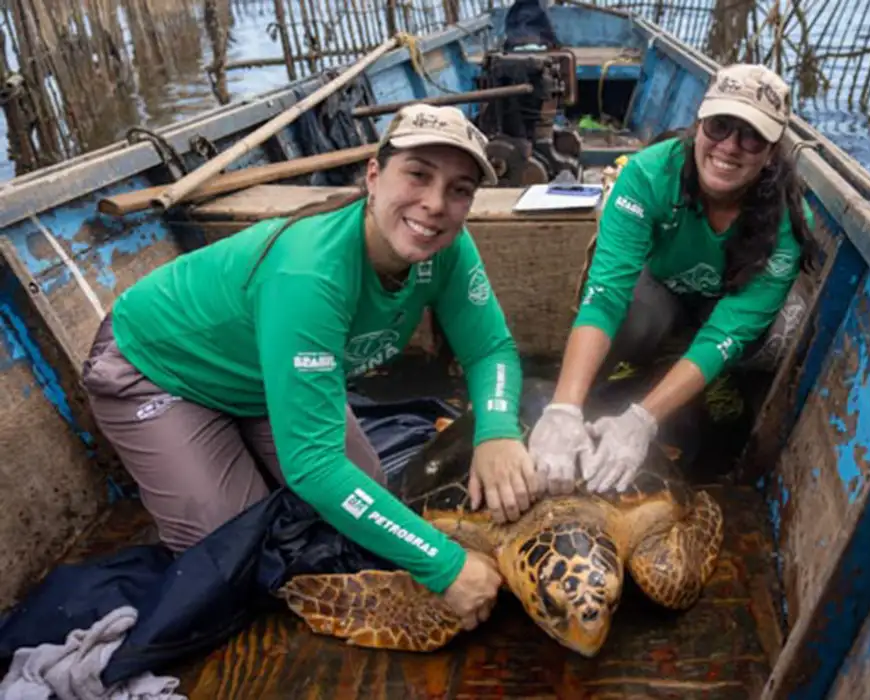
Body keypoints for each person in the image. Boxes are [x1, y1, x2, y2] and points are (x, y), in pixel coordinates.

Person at [79, 104, 542, 633]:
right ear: (374, 175)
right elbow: (315, 465)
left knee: (369, 492)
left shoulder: (447, 249)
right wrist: (443, 564)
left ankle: (236, 450)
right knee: (235, 553)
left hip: (264, 381)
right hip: (157, 369)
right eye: (417, 174)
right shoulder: (311, 272)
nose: (435, 205)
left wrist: (497, 429)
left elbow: (490, 349)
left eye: (459, 190)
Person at [528, 63, 815, 495]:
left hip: (722, 311)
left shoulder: (787, 223)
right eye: (719, 126)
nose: (730, 146)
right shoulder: (647, 174)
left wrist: (642, 419)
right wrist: (564, 407)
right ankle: (594, 390)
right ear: (699, 125)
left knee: (782, 331)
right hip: (660, 293)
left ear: (772, 152)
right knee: (630, 311)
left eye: (752, 136)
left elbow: (728, 332)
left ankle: (709, 382)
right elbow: (604, 296)